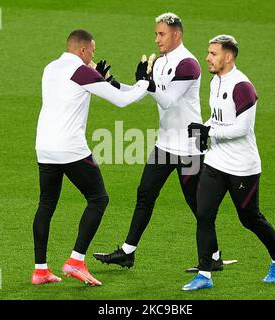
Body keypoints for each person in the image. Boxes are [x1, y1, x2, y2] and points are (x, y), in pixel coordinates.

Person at [93, 12, 224, 272]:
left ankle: (215, 258)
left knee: (198, 204)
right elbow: (141, 91)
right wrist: (110, 83)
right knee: (145, 194)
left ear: (176, 34)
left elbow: (167, 99)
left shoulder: (188, 64)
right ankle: (127, 253)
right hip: (165, 143)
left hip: (190, 144)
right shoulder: (162, 62)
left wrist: (148, 83)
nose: (156, 39)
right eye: (156, 34)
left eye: (161, 34)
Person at [31, 29, 150, 286]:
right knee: (98, 198)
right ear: (83, 50)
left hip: (44, 146)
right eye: (92, 51)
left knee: (46, 204)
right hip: (70, 148)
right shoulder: (82, 71)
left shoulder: (50, 67)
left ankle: (40, 270)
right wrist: (144, 82)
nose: (94, 55)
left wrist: (102, 77)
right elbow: (121, 101)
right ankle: (75, 260)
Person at [182, 34, 275, 291]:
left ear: (228, 57)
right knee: (204, 214)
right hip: (215, 162)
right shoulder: (214, 82)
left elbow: (242, 128)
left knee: (250, 218)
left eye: (213, 53)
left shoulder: (243, 87)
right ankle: (204, 275)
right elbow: (217, 118)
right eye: (208, 53)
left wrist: (209, 132)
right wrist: (203, 128)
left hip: (243, 167)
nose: (207, 58)